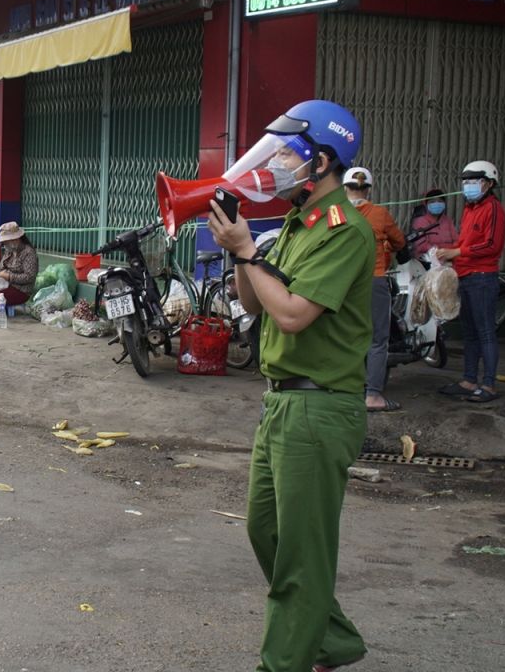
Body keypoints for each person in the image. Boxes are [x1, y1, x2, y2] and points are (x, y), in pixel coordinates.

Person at [207, 100, 374, 672]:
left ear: (322, 161)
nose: (274, 163)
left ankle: (284, 662)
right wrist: (240, 249)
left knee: (300, 554)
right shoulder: (296, 227)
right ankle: (331, 640)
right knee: (266, 530)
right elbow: (253, 301)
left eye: (287, 154)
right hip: (282, 402)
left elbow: (295, 315)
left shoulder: (344, 230)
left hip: (320, 406)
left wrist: (249, 250)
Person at [435, 161, 505, 404]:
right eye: (466, 182)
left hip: (483, 277)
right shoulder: (469, 209)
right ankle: (468, 380)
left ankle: (489, 384)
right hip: (464, 276)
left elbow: (492, 245)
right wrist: (449, 252)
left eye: (474, 182)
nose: (468, 186)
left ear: (488, 184)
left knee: (485, 332)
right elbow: (465, 242)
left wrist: (457, 252)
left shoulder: (493, 208)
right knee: (469, 333)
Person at [343, 167, 407, 413]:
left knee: (347, 336)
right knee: (378, 339)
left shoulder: (336, 213)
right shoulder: (379, 213)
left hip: (342, 283)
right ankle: (372, 396)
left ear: (345, 188)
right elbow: (400, 241)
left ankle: (346, 390)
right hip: (374, 280)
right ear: (368, 189)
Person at [410, 188, 459, 259]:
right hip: (428, 259)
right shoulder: (419, 221)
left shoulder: (448, 221)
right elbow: (421, 246)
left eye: (439, 201)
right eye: (432, 201)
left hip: (449, 257)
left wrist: (452, 251)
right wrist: (440, 251)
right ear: (426, 204)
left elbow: (456, 240)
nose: (436, 203)